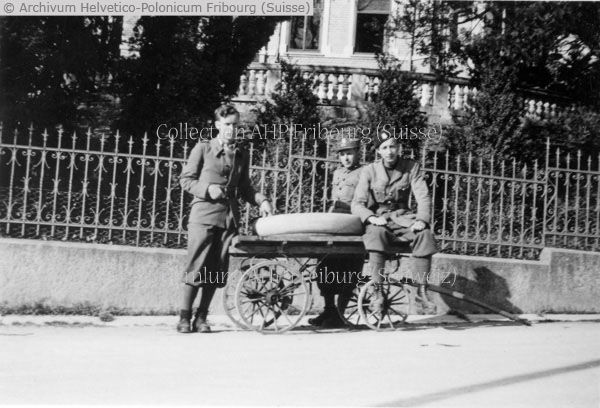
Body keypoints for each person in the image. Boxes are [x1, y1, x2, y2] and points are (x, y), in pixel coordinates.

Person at [178, 104, 273, 333]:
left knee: (215, 269)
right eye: (227, 124)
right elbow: (186, 180)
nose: (232, 129)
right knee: (197, 265)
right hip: (203, 216)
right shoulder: (203, 148)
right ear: (218, 125)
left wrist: (262, 200)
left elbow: (245, 188)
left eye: (236, 125)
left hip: (228, 218)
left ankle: (201, 318)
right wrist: (207, 189)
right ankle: (184, 317)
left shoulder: (241, 154)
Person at [351, 131, 437, 312]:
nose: (389, 151)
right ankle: (377, 291)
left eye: (392, 146)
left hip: (402, 218)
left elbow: (423, 195)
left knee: (424, 235)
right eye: (384, 148)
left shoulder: (411, 167)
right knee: (375, 234)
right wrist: (371, 217)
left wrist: (422, 219)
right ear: (378, 151)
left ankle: (422, 292)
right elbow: (357, 204)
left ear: (398, 147)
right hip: (379, 218)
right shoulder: (369, 170)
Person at [308, 137, 365, 328]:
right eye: (342, 154)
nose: (346, 158)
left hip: (352, 222)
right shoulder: (338, 172)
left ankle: (339, 314)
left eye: (350, 153)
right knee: (325, 265)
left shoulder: (365, 172)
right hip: (335, 220)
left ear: (358, 153)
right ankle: (329, 310)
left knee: (349, 270)